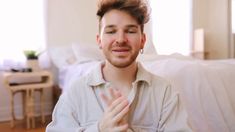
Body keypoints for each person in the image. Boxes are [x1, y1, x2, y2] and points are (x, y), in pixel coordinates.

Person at [46, 0, 192, 131]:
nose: (121, 39)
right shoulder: (75, 92)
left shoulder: (164, 91)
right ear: (99, 41)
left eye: (130, 31)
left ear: (143, 40)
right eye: (111, 31)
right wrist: (99, 129)